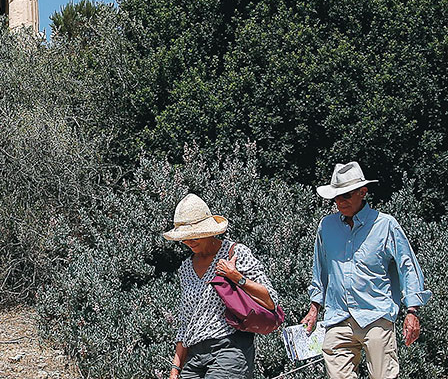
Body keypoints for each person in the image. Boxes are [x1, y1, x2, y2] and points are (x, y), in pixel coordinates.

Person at [302, 161, 432, 379]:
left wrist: (412, 311)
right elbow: (320, 269)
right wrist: (314, 308)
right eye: (336, 197)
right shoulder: (326, 226)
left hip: (376, 316)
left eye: (346, 195)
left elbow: (407, 266)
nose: (340, 202)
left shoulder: (386, 225)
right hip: (338, 317)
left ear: (362, 193)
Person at [164, 194, 279, 379]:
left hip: (229, 348)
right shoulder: (185, 268)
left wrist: (236, 277)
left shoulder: (235, 253)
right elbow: (186, 322)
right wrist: (175, 368)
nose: (188, 241)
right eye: (184, 237)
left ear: (209, 231)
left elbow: (271, 300)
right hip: (195, 355)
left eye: (194, 235)